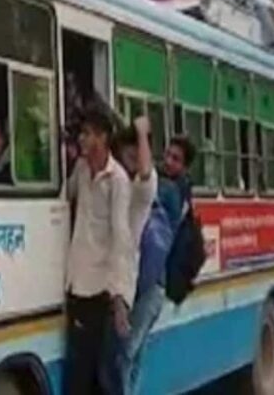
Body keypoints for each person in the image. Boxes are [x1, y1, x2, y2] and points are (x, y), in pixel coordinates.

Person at [66, 103, 135, 394]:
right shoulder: (82, 170)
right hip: (77, 287)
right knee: (80, 376)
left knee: (105, 378)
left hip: (102, 293)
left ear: (103, 138)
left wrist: (119, 298)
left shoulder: (117, 180)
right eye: (81, 134)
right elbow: (66, 196)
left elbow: (121, 240)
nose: (82, 139)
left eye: (88, 134)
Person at [103, 118, 169, 395]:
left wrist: (143, 132)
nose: (130, 162)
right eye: (125, 155)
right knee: (129, 358)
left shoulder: (145, 186)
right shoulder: (117, 185)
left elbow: (145, 171)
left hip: (147, 290)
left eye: (135, 155)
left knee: (125, 354)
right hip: (129, 286)